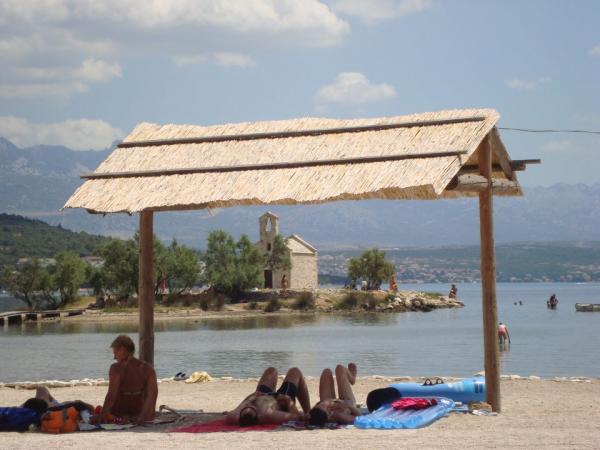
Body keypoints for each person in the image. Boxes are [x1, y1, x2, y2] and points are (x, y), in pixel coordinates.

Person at [91, 335, 158, 425]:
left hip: (118, 413)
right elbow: (152, 396)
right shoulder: (148, 369)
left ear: (122, 350)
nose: (114, 357)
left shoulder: (116, 368)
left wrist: (103, 415)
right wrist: (142, 417)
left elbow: (111, 395)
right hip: (138, 412)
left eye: (115, 353)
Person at [226, 367, 310, 426]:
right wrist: (288, 401)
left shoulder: (235, 415)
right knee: (295, 371)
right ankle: (308, 410)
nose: (248, 405)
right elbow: (296, 416)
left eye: (246, 406)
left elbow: (242, 405)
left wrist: (252, 396)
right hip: (280, 399)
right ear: (257, 416)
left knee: (271, 370)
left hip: (262, 395)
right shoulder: (269, 415)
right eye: (251, 407)